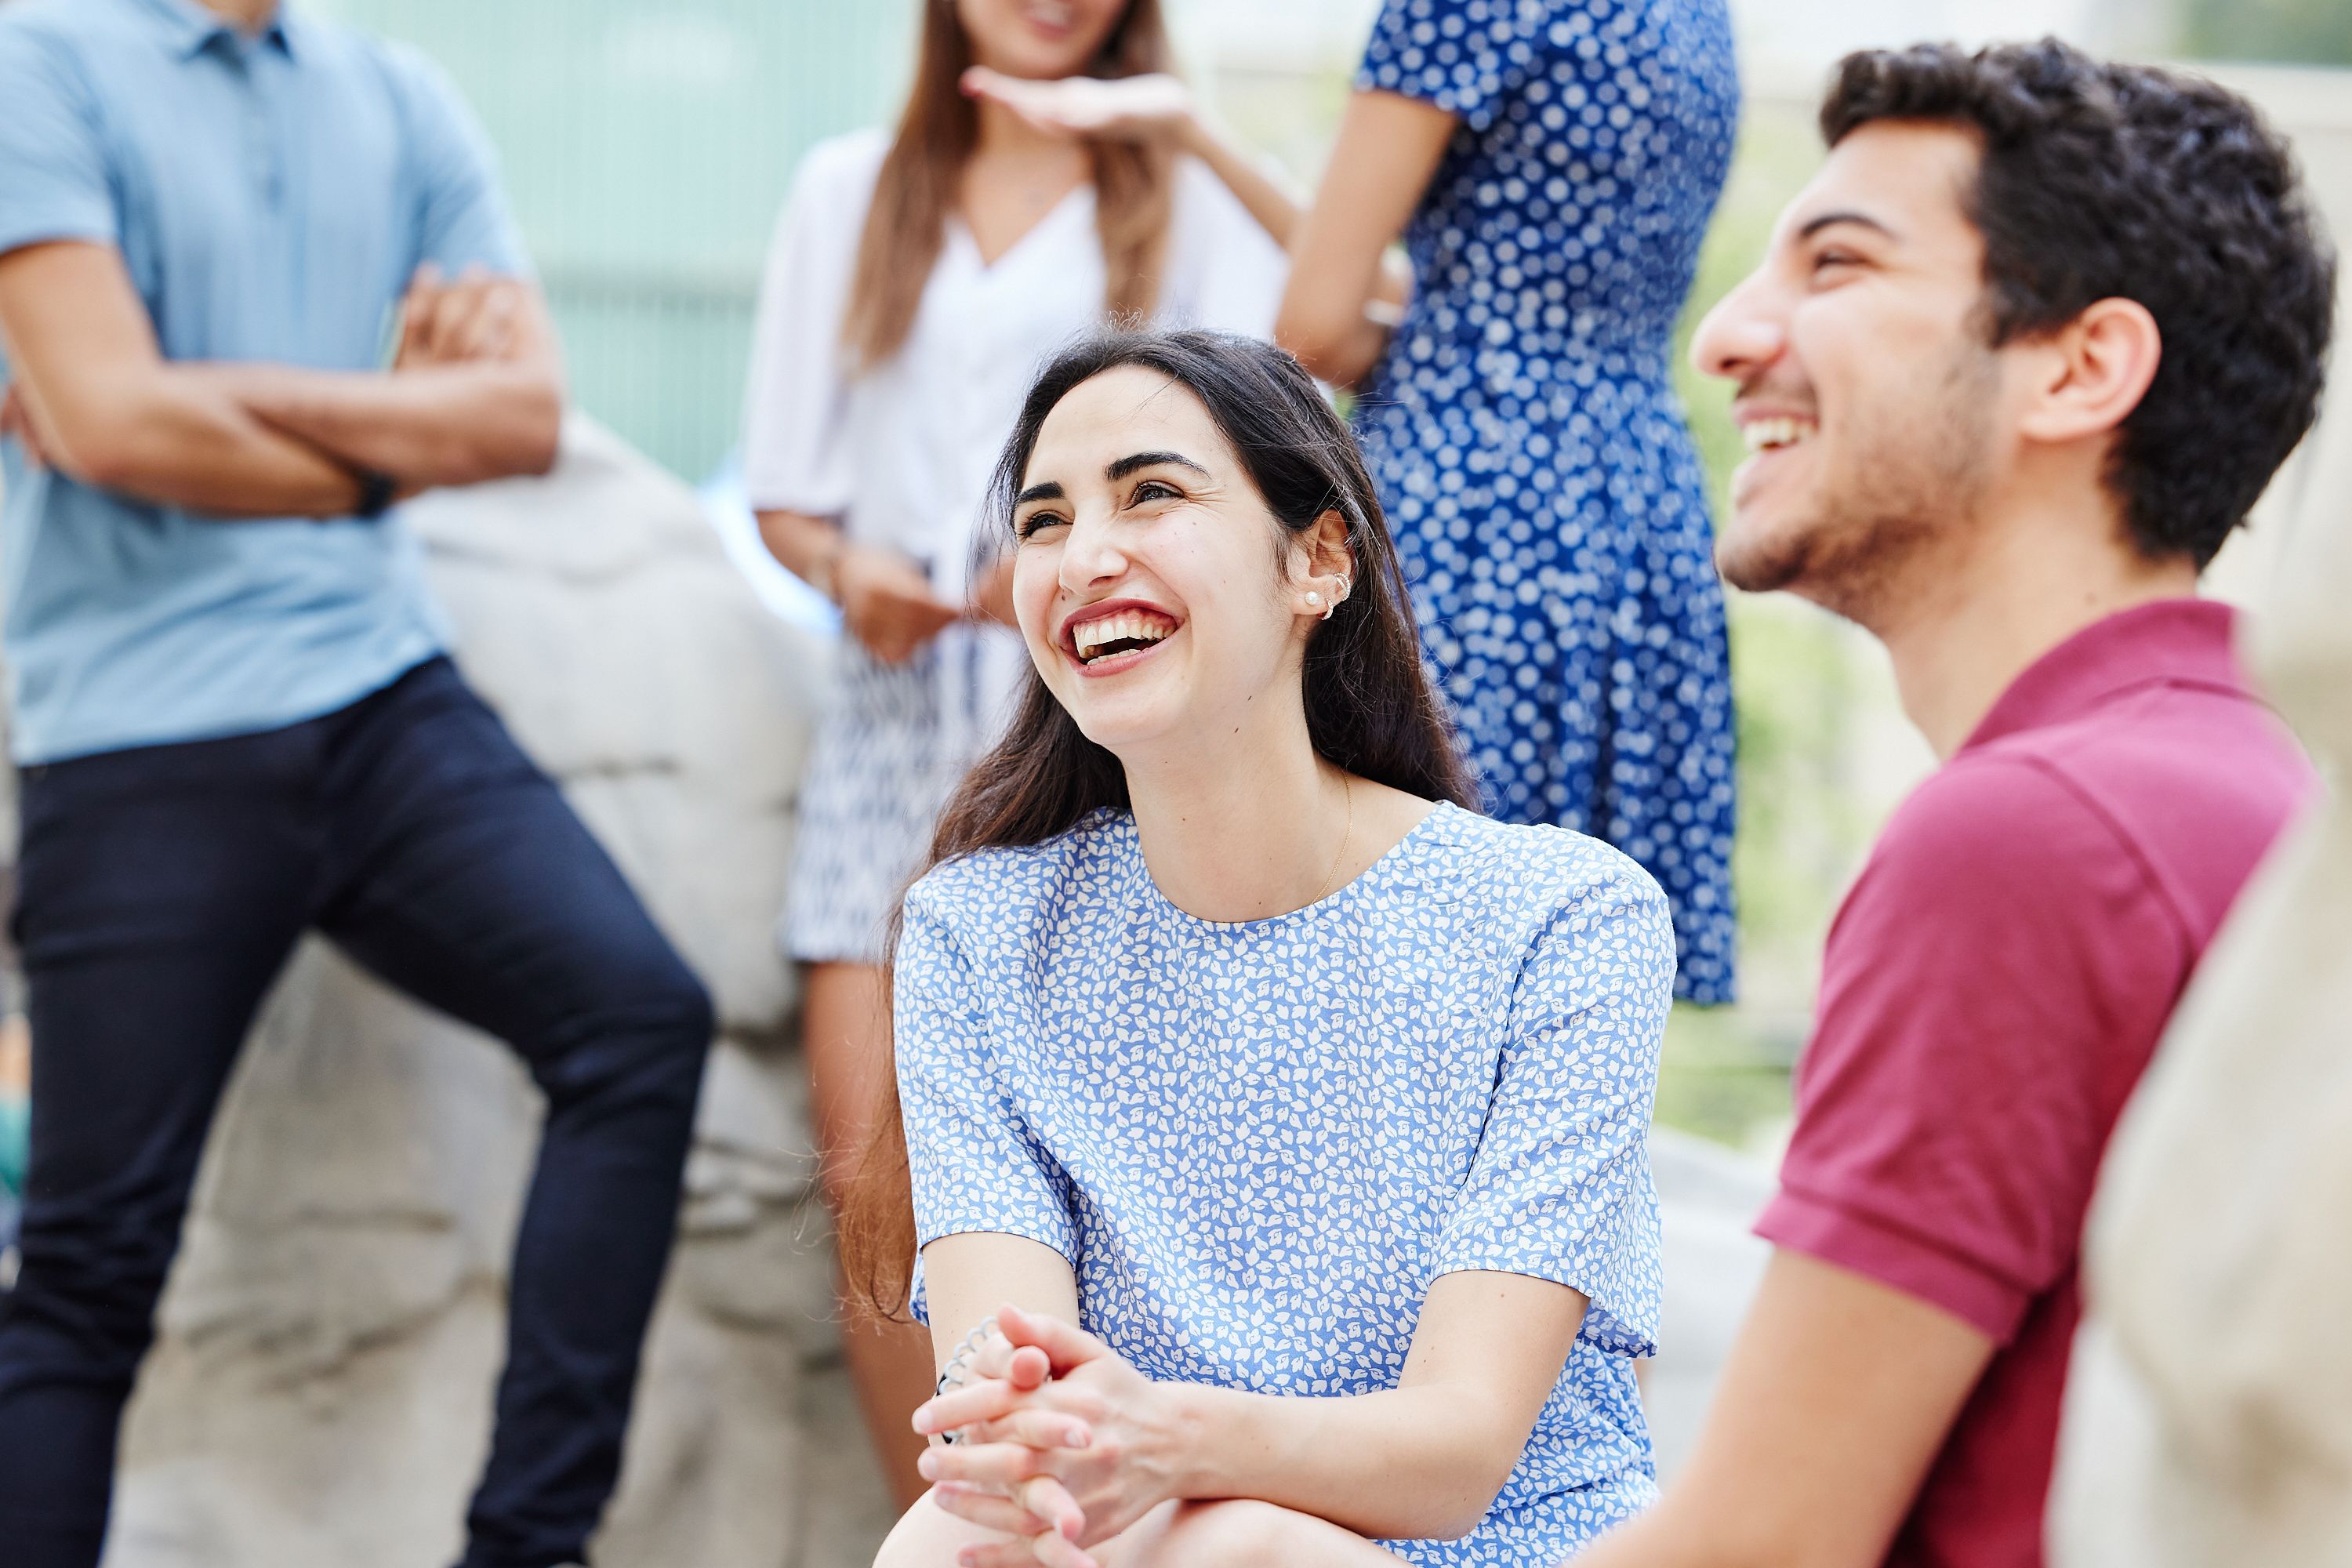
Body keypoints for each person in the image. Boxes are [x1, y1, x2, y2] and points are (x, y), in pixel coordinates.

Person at [1571, 39, 2331, 1568]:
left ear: (2080, 366)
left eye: (1838, 264)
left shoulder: (2028, 841)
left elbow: (1763, 1550)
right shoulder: (2270, 791)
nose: (1727, 334)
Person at [0, 3, 716, 1566]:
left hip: (384, 693)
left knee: (638, 1020)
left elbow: (522, 417)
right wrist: (396, 425)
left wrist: (222, 409)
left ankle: (525, 1548)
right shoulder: (37, 60)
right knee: (87, 1271)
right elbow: (106, 421)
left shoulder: (396, 96)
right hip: (137, 730)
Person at [844, 329, 1676, 1568]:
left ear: (1318, 559)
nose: (1086, 558)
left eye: (1154, 494)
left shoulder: (1563, 918)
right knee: (951, 1543)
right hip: (1131, 1535)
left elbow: (1458, 1452)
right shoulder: (980, 935)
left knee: (1232, 1551)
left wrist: (1175, 1448)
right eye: (1046, 519)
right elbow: (1004, 1397)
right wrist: (1068, 1445)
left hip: (1489, 1547)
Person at [739, 0, 1286, 1501]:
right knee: (878, 1193)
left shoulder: (1180, 194)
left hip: (1104, 746)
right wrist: (858, 578)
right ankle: (948, 1528)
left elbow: (1319, 372)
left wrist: (1191, 129)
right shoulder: (849, 189)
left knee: (1114, 1197)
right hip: (894, 728)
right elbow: (787, 491)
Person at [969, 0, 1742, 1004]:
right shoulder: (1694, 17)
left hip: (1479, 497)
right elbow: (1434, 286)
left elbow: (1323, 324)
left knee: (1405, 941)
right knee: (1559, 960)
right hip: (1633, 492)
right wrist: (1193, 132)